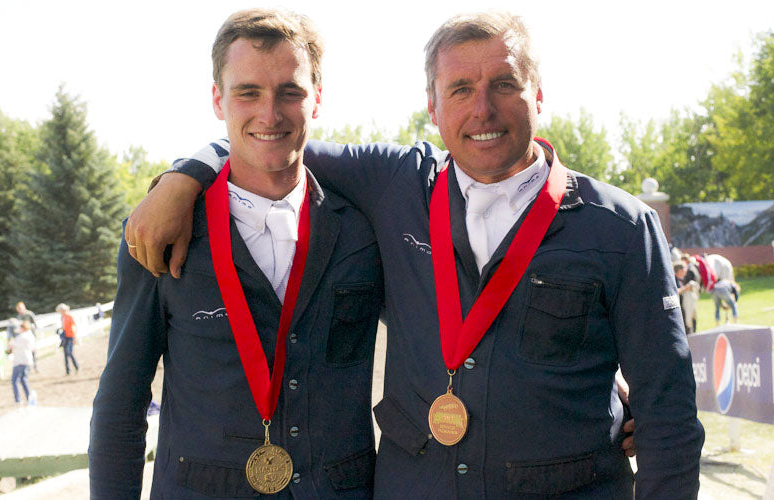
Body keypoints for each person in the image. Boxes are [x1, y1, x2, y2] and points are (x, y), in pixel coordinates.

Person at [125, 11, 702, 499]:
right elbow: (272, 136)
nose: (483, 110)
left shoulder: (623, 227)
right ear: (432, 105)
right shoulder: (396, 183)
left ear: (540, 95)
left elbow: (670, 416)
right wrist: (186, 174)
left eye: (504, 83)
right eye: (460, 89)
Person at [90, 9, 383, 499]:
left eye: (290, 92)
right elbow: (121, 404)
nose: (269, 114)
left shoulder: (364, 229)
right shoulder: (158, 231)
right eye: (248, 92)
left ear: (317, 101)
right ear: (216, 99)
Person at [9, 320, 35, 404]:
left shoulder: (21, 337)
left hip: (20, 361)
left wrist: (11, 343)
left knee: (14, 380)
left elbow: (13, 346)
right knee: (24, 379)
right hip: (26, 360)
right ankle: (28, 396)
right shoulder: (30, 335)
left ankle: (18, 399)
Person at [15, 302, 39, 372]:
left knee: (33, 352)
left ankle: (35, 366)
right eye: (18, 308)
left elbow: (35, 325)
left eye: (21, 308)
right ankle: (28, 368)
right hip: (23, 338)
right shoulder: (18, 317)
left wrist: (28, 327)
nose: (20, 310)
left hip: (31, 336)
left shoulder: (29, 314)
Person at [56, 303, 79, 375]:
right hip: (65, 336)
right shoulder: (62, 317)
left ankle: (76, 366)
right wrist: (60, 329)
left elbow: (74, 326)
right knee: (65, 354)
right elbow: (64, 327)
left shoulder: (69, 316)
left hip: (70, 336)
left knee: (69, 352)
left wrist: (75, 337)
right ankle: (68, 370)